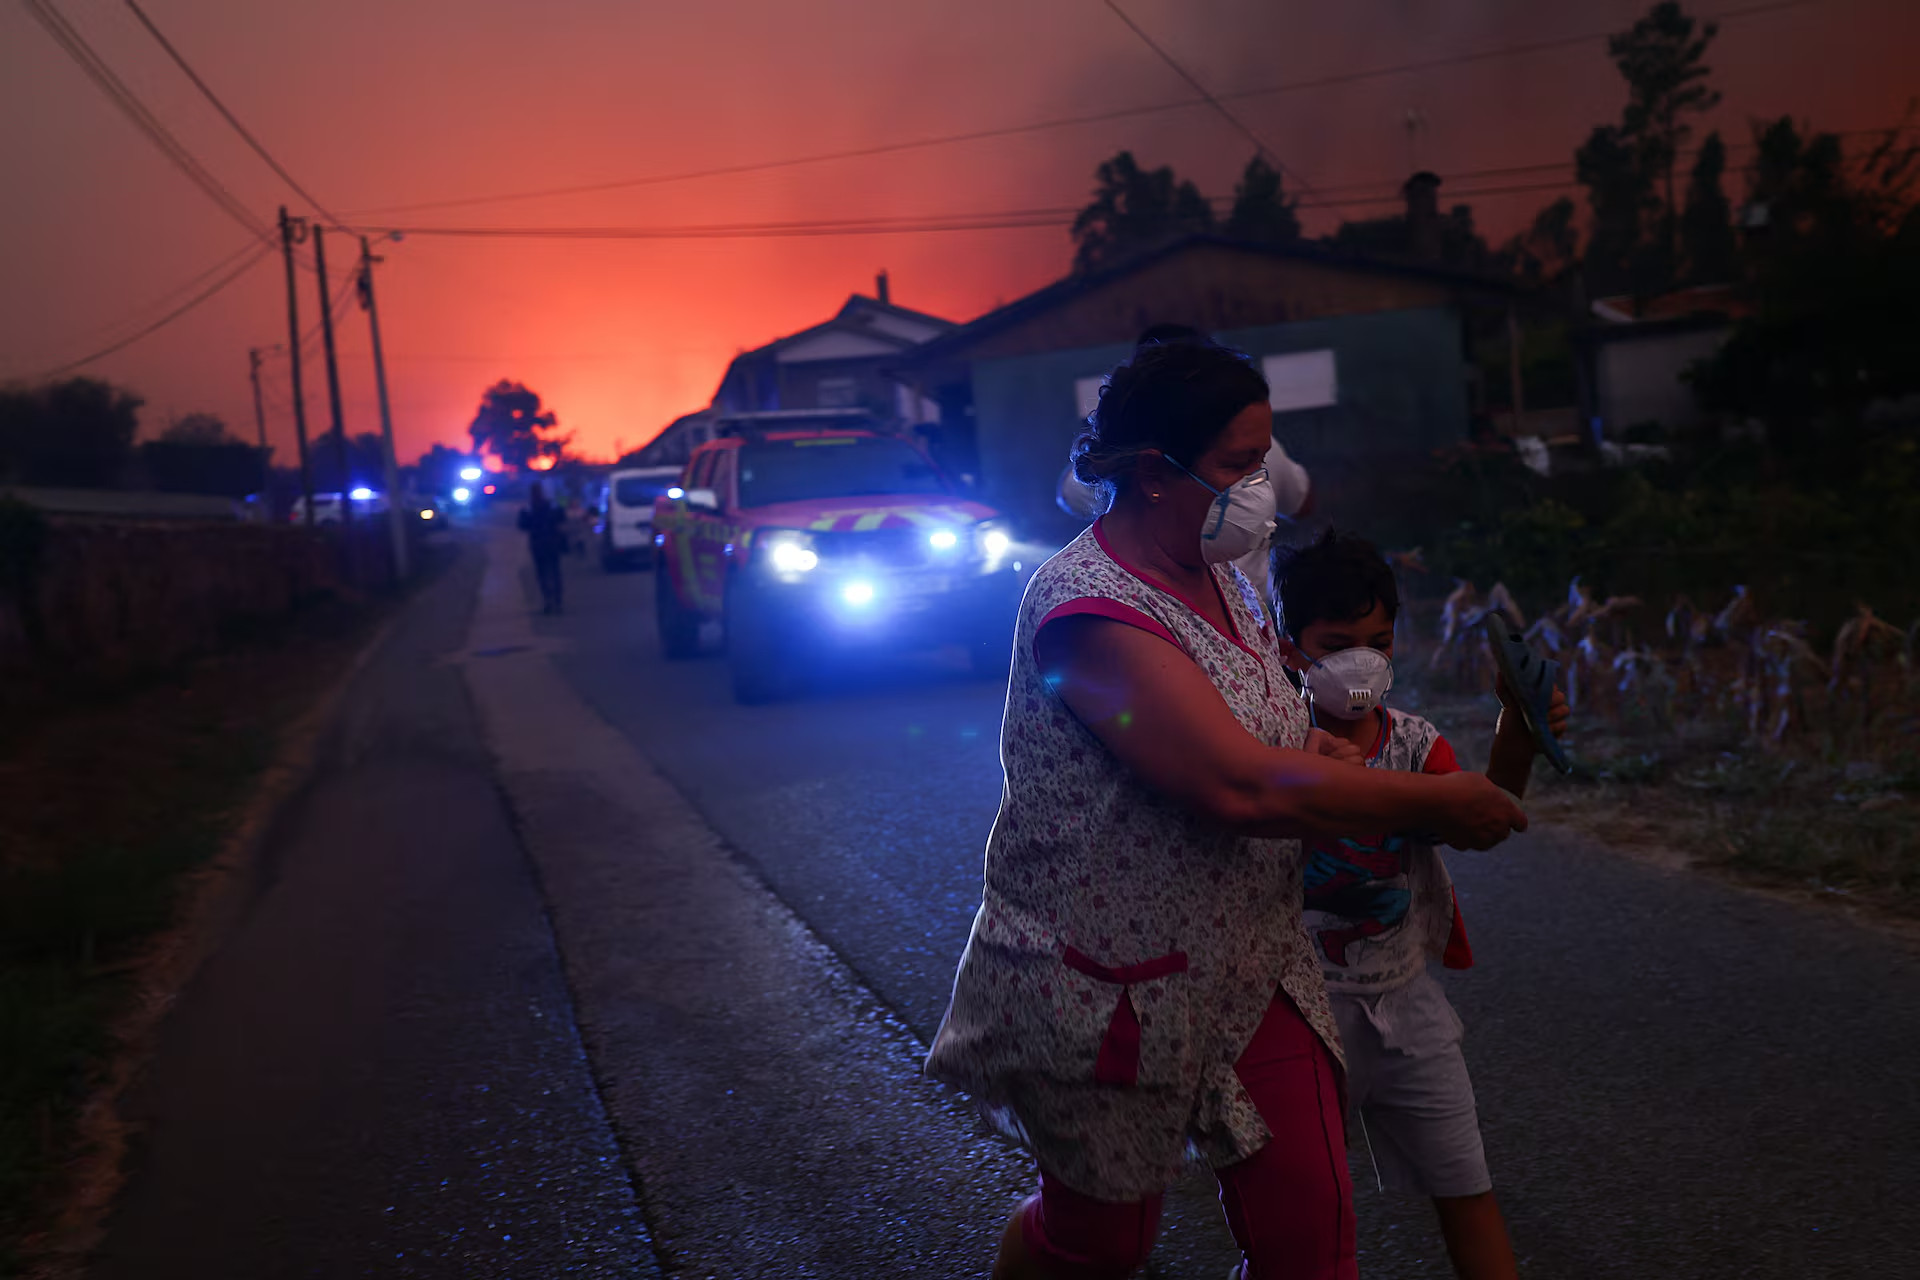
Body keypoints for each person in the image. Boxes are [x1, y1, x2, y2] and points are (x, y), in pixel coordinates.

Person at [926, 339, 1529, 1280]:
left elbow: (1282, 738)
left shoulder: (1231, 583)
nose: (1262, 489)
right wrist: (1431, 801)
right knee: (1097, 1243)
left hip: (1255, 965)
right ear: (1156, 472)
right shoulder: (1087, 613)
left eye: (1263, 459)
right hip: (1110, 985)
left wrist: (1365, 765)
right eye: (1238, 466)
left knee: (1310, 1236)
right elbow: (1236, 784)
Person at [1274, 530, 1569, 1280]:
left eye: (1379, 640)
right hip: (1297, 1019)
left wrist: (1519, 726)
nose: (1364, 662)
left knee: (1468, 1191)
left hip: (1408, 1012)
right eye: (1338, 643)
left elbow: (1483, 816)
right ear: (1287, 649)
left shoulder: (1413, 743)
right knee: (1305, 1221)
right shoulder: (1268, 746)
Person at [517, 482, 568, 615]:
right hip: (552, 543)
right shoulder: (551, 505)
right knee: (555, 572)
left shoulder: (529, 508)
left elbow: (522, 525)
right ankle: (557, 601)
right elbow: (562, 517)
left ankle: (548, 600)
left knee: (542, 574)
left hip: (538, 544)